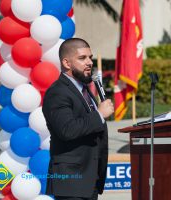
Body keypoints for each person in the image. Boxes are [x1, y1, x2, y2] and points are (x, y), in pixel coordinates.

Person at [42, 38, 114, 200]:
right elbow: (67, 130)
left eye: (90, 57)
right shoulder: (58, 92)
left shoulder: (84, 89)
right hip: (71, 181)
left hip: (89, 179)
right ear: (67, 63)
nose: (89, 62)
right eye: (82, 58)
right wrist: (99, 114)